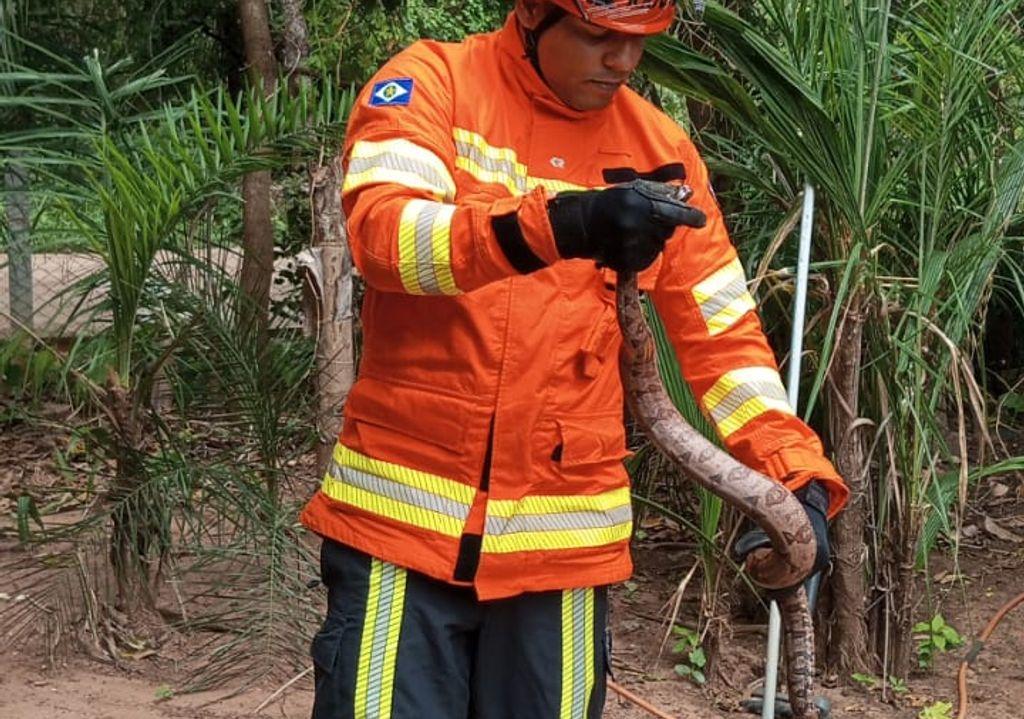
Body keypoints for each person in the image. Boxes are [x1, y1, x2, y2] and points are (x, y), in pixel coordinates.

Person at [299, 1, 848, 717]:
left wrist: (794, 477)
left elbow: (722, 337)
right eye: (598, 37)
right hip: (403, 539)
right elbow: (385, 237)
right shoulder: (432, 83)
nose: (621, 61)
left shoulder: (662, 150)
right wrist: (561, 224)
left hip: (561, 556)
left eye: (639, 42)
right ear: (533, 14)